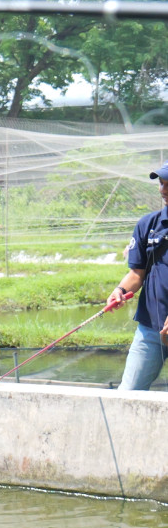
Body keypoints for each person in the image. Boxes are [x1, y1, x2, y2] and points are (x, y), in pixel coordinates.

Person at [106, 162, 168, 390]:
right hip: (150, 327)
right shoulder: (148, 225)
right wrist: (120, 291)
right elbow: (137, 273)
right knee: (129, 394)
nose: (163, 189)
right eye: (161, 183)